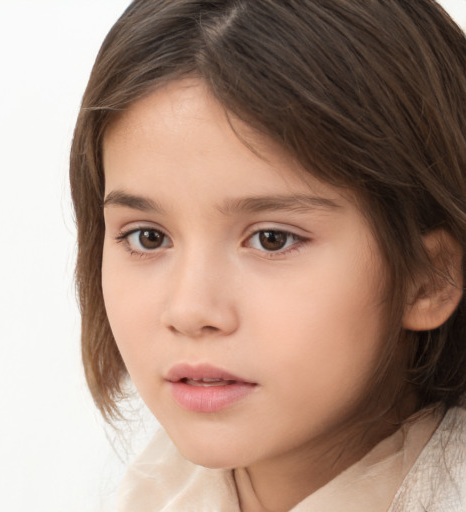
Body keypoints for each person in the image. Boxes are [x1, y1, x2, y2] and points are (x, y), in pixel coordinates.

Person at [69, 1, 466, 510]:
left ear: (428, 277)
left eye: (271, 239)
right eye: (148, 237)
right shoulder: (149, 492)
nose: (190, 310)